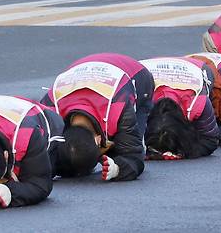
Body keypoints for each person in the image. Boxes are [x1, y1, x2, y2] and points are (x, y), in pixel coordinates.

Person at [40, 53, 152, 182]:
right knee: (74, 156)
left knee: (123, 145)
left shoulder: (118, 106)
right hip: (82, 68)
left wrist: (117, 168)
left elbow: (133, 155)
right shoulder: (49, 111)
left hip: (136, 73)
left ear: (99, 140)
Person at [140, 57, 219, 159]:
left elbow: (210, 140)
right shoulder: (139, 101)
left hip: (196, 66)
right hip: (147, 67)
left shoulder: (197, 103)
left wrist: (184, 152)